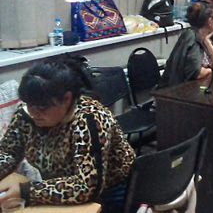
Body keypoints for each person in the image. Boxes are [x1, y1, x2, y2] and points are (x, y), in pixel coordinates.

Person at [0, 56, 135, 212]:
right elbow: (8, 153)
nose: (34, 113)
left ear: (67, 99)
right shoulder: (26, 116)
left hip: (109, 192)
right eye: (30, 105)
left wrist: (26, 191)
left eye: (42, 107)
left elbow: (86, 187)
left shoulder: (90, 119)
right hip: (59, 189)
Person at [159, 0, 213, 88]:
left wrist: (206, 41)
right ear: (210, 21)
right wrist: (210, 70)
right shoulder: (191, 37)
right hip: (174, 94)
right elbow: (196, 73)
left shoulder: (202, 37)